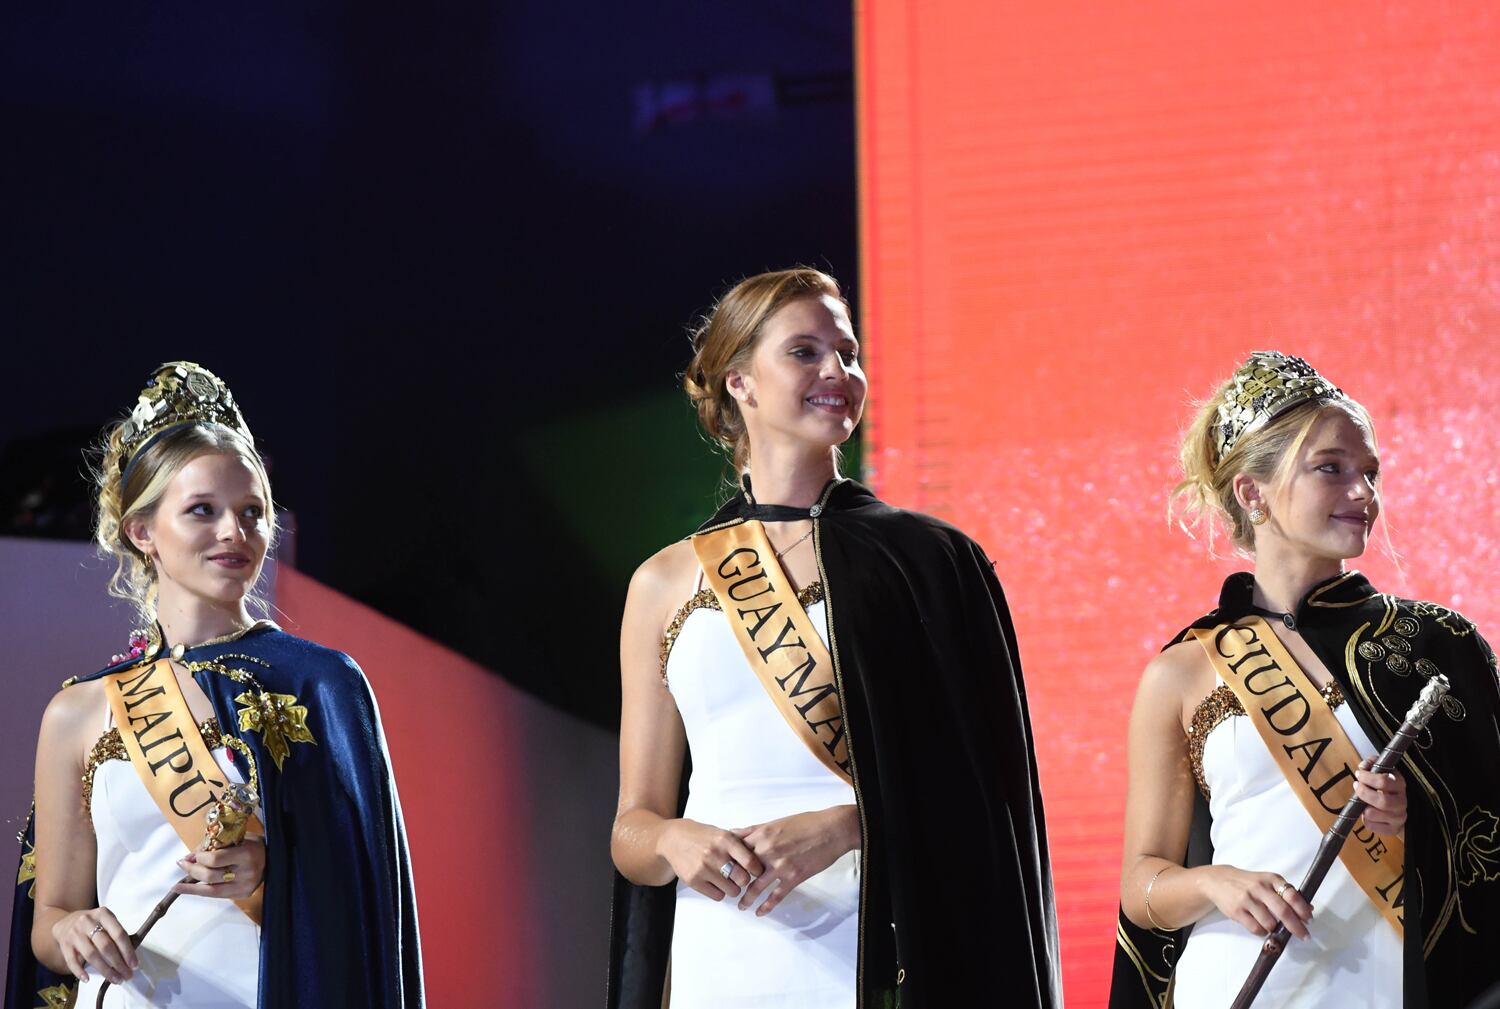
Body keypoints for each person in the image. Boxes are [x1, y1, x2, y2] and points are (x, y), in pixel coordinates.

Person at [607, 269, 1061, 1009]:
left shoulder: (931, 559)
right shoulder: (663, 582)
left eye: (848, 354)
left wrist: (852, 825)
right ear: (740, 383)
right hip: (721, 948)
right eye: (805, 352)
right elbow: (633, 826)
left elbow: (989, 799)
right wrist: (673, 841)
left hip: (880, 937)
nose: (838, 374)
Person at [5, 362, 423, 1009]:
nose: (236, 532)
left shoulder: (323, 685)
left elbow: (361, 908)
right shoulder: (78, 711)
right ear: (142, 531)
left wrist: (267, 873)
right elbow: (50, 918)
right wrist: (73, 929)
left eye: (252, 512)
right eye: (203, 510)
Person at [1109, 352, 1500, 1008]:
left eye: (1370, 472)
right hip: (1234, 981)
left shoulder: (1439, 646)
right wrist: (1216, 883)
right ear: (1251, 491)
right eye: (1332, 469)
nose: (1364, 493)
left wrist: (1413, 823)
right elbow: (1142, 883)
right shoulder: (1181, 670)